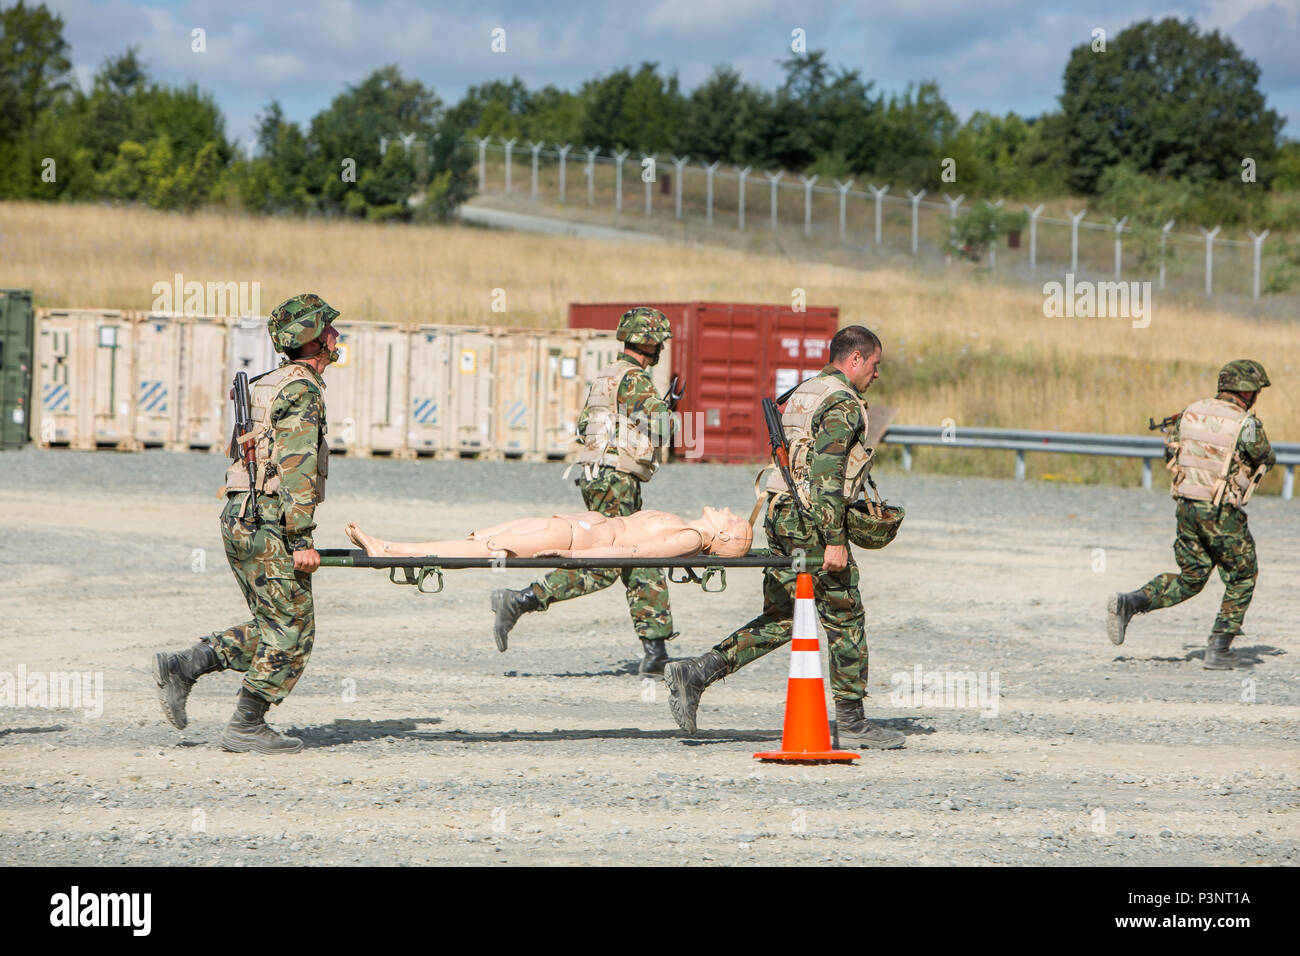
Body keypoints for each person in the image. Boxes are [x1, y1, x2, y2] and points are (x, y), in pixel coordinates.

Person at [664, 325, 906, 749]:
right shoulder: (843, 404)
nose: (876, 373)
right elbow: (827, 475)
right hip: (813, 520)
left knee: (786, 615)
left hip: (780, 512)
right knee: (846, 615)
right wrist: (834, 539)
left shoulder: (805, 391)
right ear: (855, 360)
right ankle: (853, 722)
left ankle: (697, 673)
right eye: (874, 364)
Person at [152, 293, 340, 753]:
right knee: (292, 631)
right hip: (269, 522)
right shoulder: (301, 390)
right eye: (330, 330)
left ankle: (187, 664)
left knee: (275, 622)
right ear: (314, 339)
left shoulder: (266, 383)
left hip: (241, 516)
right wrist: (300, 538)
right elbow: (296, 466)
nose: (337, 336)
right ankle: (246, 724)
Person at [490, 307, 679, 674]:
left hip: (599, 476)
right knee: (615, 561)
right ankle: (521, 599)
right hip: (616, 480)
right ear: (651, 343)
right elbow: (664, 427)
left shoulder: (606, 377)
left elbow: (583, 428)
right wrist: (671, 412)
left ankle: (655, 651)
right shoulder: (635, 380)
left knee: (634, 555)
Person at [1107, 359, 1275, 669]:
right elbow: (1265, 455)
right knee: (1242, 574)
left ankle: (1131, 602)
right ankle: (1219, 648)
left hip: (1186, 506)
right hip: (1219, 511)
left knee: (1192, 577)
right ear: (1248, 391)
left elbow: (1171, 453)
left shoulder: (1191, 412)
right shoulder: (1245, 423)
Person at [345, 506, 751, 561]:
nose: (729, 512)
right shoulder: (686, 527)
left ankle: (392, 548)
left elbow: (630, 553)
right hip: (569, 526)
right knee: (478, 542)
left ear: (726, 539)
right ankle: (390, 546)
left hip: (574, 539)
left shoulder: (691, 539)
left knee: (485, 550)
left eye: (733, 521)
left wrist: (571, 557)